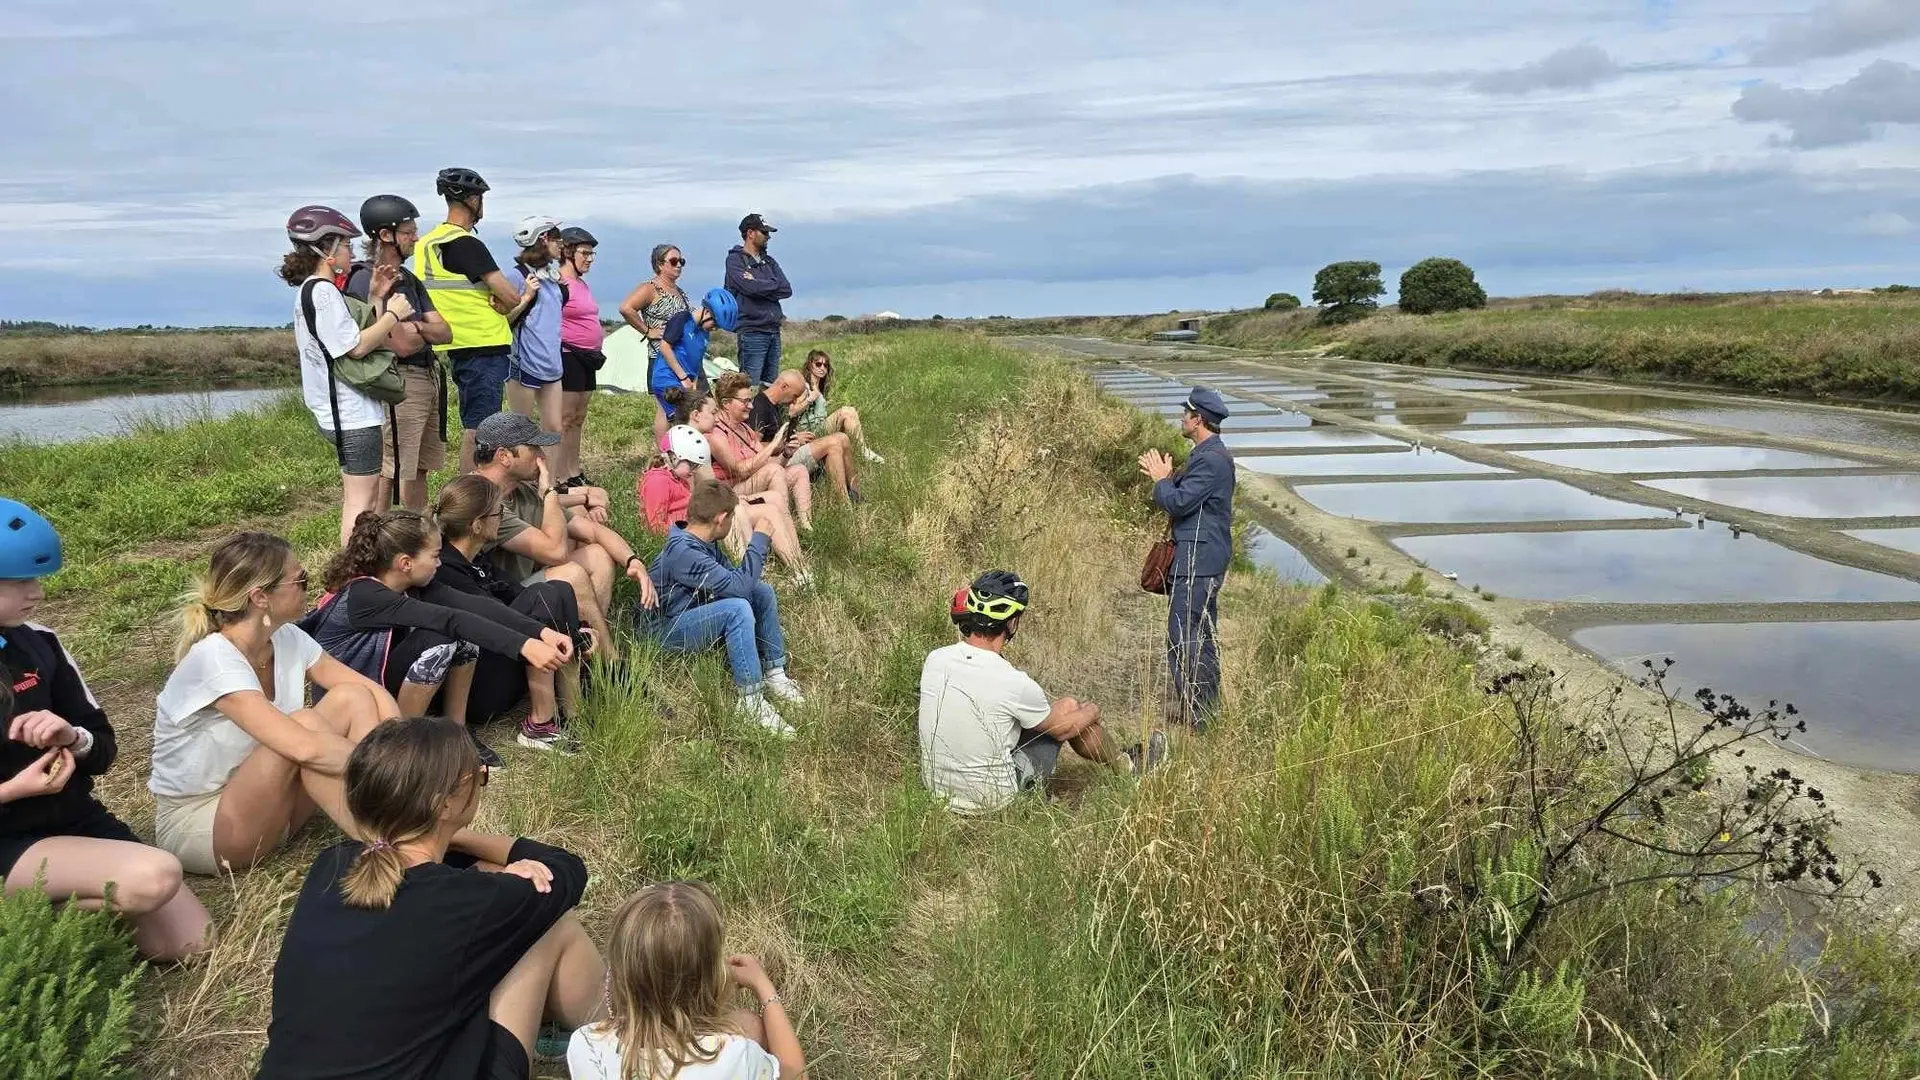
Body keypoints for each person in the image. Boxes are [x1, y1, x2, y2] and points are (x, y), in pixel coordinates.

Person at [256, 717, 605, 1080]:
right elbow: (565, 871)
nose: (483, 776)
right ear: (443, 805)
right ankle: (625, 1045)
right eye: (478, 776)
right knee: (553, 925)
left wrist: (444, 840)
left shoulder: (329, 867)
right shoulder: (466, 902)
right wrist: (462, 838)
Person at [0, 499, 211, 961]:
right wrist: (13, 790)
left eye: (37, 580)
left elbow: (103, 748)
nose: (35, 593)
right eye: (18, 583)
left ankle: (43, 912)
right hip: (7, 837)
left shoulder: (41, 644)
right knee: (153, 876)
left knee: (192, 945)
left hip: (72, 819)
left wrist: (71, 737)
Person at [150, 532, 401, 876]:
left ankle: (388, 812)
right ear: (260, 597)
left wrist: (400, 742)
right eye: (300, 579)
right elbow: (305, 748)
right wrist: (390, 769)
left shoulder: (286, 637)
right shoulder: (214, 661)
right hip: (207, 827)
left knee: (352, 698)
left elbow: (367, 690)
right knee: (306, 726)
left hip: (268, 805)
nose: (308, 585)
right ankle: (390, 840)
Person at [302, 510, 578, 761]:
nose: (439, 563)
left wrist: (540, 631)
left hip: (379, 683)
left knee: (457, 633)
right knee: (440, 639)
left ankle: (456, 736)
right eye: (434, 556)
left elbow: (475, 607)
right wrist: (524, 646)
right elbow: (449, 619)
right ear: (405, 563)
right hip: (346, 701)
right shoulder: (366, 595)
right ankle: (402, 747)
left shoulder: (415, 583)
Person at [918, 571, 1155, 815]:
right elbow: (1063, 728)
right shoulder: (1013, 681)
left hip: (939, 793)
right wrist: (1093, 710)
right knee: (1072, 719)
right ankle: (1128, 767)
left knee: (1067, 705)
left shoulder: (935, 659)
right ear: (1011, 623)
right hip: (992, 801)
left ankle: (1125, 764)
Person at [567, 881, 806, 1080]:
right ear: (712, 978)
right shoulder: (736, 1056)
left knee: (748, 1022)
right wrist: (764, 988)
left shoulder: (588, 1045)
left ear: (620, 975)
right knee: (750, 1024)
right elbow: (796, 1074)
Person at [472, 411, 656, 664]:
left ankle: (585, 648)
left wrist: (633, 561)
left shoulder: (522, 492)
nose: (542, 456)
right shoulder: (481, 499)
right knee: (570, 572)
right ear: (504, 456)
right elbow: (555, 553)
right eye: (533, 447)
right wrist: (548, 491)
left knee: (597, 555)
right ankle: (611, 667)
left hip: (520, 590)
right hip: (494, 609)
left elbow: (593, 531)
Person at [280, 205, 414, 546]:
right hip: (351, 414)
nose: (350, 252)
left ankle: (353, 574)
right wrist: (394, 315)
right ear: (325, 250)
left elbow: (346, 333)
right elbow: (354, 347)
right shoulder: (323, 292)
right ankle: (351, 576)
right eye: (345, 245)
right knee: (361, 503)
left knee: (361, 498)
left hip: (338, 412)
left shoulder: (312, 290)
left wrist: (375, 297)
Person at [434, 476, 597, 748]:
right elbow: (492, 620)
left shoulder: (475, 559)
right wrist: (543, 634)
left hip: (502, 662)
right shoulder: (446, 571)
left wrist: (578, 629)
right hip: (478, 688)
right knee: (543, 594)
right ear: (477, 525)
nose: (503, 518)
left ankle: (572, 712)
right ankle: (539, 725)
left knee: (557, 588)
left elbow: (515, 596)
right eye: (499, 512)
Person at [644, 480, 804, 737]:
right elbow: (738, 590)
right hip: (664, 630)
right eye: (731, 518)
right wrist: (760, 539)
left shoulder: (703, 542)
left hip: (688, 613)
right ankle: (750, 701)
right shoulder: (684, 552)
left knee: (761, 592)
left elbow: (736, 581)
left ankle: (775, 672)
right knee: (737, 609)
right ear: (721, 519)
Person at [415, 167, 527, 472]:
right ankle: (469, 495)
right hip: (483, 343)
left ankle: (469, 492)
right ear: (473, 201)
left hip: (456, 344)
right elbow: (511, 296)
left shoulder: (427, 243)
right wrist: (503, 302)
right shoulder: (465, 243)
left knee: (474, 423)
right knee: (480, 429)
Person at [347, 194, 453, 512]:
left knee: (418, 467)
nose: (415, 238)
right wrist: (420, 329)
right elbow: (400, 344)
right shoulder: (366, 279)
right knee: (391, 469)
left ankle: (416, 527)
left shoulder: (409, 279)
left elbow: (445, 332)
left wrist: (413, 326)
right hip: (399, 380)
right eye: (408, 231)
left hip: (427, 377)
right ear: (385, 234)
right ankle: (377, 535)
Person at [1138, 388, 1236, 729]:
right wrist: (1171, 479)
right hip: (1202, 558)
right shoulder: (1208, 455)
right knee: (1201, 635)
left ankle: (1201, 717)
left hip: (1200, 560)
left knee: (1183, 636)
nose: (1182, 417)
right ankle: (1205, 711)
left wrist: (1163, 480)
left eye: (1187, 413)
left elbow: (1179, 503)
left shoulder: (1210, 459)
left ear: (1198, 420)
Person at [641, 424, 809, 582]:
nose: (693, 470)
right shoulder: (657, 480)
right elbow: (655, 526)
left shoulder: (678, 476)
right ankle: (759, 573)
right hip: (697, 531)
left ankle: (799, 566)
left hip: (701, 521)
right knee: (747, 512)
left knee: (772, 503)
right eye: (691, 464)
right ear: (673, 458)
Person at [502, 216, 569, 475]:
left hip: (551, 365)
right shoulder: (517, 277)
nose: (560, 245)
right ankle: (520, 485)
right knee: (521, 431)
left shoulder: (552, 278)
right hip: (523, 363)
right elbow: (504, 320)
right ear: (542, 239)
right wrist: (527, 295)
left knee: (554, 429)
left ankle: (547, 482)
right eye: (556, 238)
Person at [710, 373, 813, 531]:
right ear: (726, 403)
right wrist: (772, 445)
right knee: (772, 471)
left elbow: (770, 463)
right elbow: (739, 470)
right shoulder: (715, 433)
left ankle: (806, 525)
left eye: (750, 400)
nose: (751, 406)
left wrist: (786, 453)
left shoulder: (745, 428)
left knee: (799, 470)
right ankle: (785, 527)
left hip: (752, 481)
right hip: (729, 490)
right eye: (745, 401)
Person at [618, 244, 693, 442]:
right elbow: (626, 308)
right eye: (674, 261)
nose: (679, 265)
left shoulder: (679, 291)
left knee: (680, 408)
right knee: (665, 408)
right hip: (662, 358)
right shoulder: (651, 288)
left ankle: (675, 449)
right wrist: (647, 331)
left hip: (683, 358)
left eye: (681, 261)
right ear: (659, 264)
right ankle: (663, 452)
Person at [749, 371, 859, 503]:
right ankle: (843, 503)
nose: (795, 400)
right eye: (795, 395)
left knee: (842, 438)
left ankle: (855, 494)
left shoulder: (774, 405)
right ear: (784, 387)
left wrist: (793, 438)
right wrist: (785, 443)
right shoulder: (759, 407)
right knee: (833, 442)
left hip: (785, 452)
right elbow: (753, 448)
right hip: (777, 460)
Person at [556, 226, 604, 490]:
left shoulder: (581, 284)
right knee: (565, 418)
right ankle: (560, 474)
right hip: (567, 355)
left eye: (591, 254)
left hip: (587, 357)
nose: (589, 259)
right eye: (585, 253)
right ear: (568, 252)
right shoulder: (558, 283)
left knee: (578, 417)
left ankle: (573, 470)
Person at [725, 214, 792, 388]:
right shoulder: (735, 260)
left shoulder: (769, 261)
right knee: (749, 387)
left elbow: (786, 289)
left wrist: (757, 282)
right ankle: (748, 416)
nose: (768, 236)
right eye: (764, 232)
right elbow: (748, 289)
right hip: (752, 331)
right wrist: (770, 286)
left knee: (770, 388)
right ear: (750, 233)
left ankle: (764, 416)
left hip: (773, 331)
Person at [798, 349, 883, 463]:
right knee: (846, 412)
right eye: (818, 364)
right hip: (810, 432)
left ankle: (858, 452)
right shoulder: (804, 385)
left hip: (821, 427)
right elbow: (793, 411)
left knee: (850, 411)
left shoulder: (820, 387)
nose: (822, 368)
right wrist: (809, 399)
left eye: (825, 365)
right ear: (810, 365)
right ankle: (863, 451)